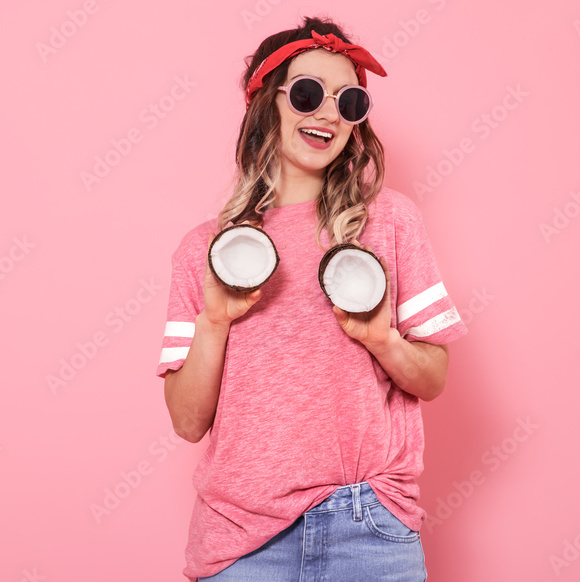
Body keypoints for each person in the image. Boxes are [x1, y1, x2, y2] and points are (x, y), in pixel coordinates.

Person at [155, 15, 468, 582]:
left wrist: (380, 339)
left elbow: (432, 378)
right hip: (241, 541)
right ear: (264, 106)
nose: (328, 113)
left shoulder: (389, 221)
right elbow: (187, 421)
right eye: (307, 94)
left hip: (368, 527)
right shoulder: (204, 251)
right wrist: (215, 323)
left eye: (348, 102)